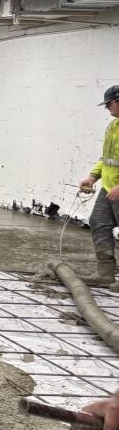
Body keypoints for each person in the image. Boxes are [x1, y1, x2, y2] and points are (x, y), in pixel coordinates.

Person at [78, 84, 119, 288]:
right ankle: (105, 273)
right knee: (98, 222)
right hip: (109, 188)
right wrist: (93, 177)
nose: (107, 108)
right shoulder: (113, 126)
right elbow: (108, 158)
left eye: (109, 104)